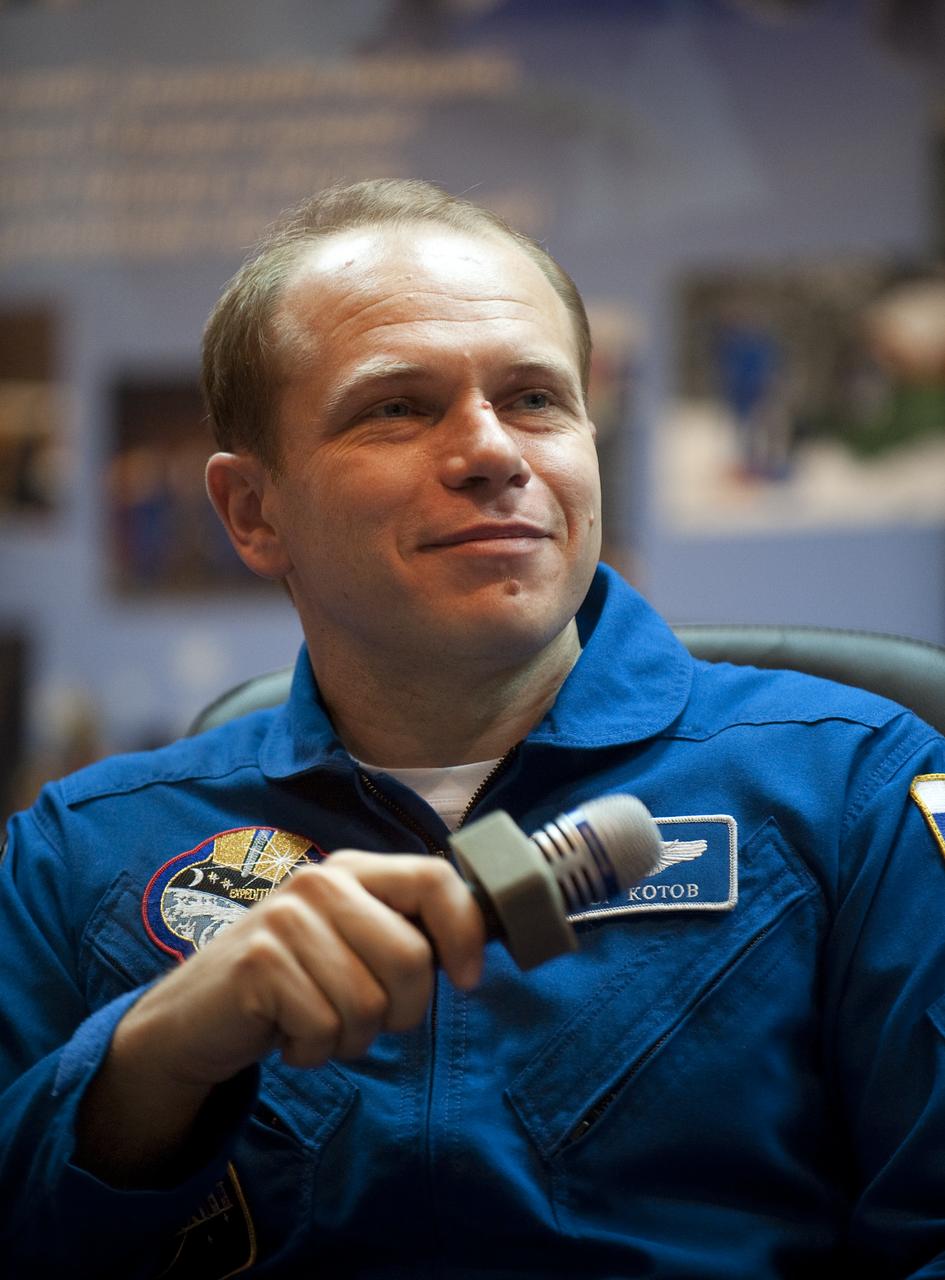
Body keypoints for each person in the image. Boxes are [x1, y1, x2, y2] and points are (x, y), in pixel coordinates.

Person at [1, 179, 945, 1280]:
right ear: (253, 512)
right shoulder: (75, 851)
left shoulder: (858, 784)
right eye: (397, 406)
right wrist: (147, 1066)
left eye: (538, 398)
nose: (494, 450)